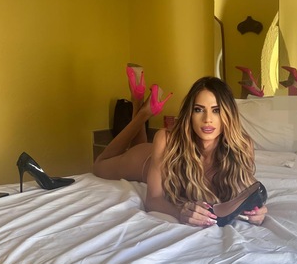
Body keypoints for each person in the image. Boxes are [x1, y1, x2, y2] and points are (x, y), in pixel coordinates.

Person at [93, 66, 267, 227]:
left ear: (228, 114)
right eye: (199, 109)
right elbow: (153, 199)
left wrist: (256, 211)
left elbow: (249, 192)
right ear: (189, 114)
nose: (207, 119)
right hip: (143, 162)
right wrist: (180, 211)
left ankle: (140, 101)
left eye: (216, 110)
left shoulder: (242, 146)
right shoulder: (166, 140)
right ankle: (143, 113)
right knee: (99, 165)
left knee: (139, 142)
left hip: (157, 159)